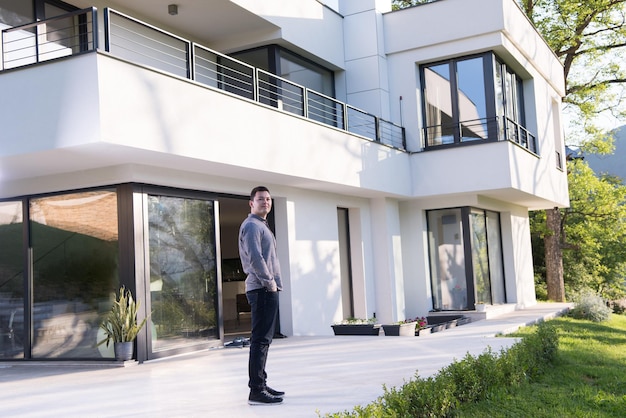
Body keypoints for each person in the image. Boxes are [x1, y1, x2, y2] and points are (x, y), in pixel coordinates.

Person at [238, 186, 285, 405]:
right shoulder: (251, 225)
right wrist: (270, 283)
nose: (265, 202)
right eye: (260, 199)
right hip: (262, 288)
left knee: (264, 341)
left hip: (265, 288)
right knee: (260, 341)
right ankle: (256, 390)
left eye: (268, 199)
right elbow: (256, 258)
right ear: (251, 203)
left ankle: (261, 384)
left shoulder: (261, 225)